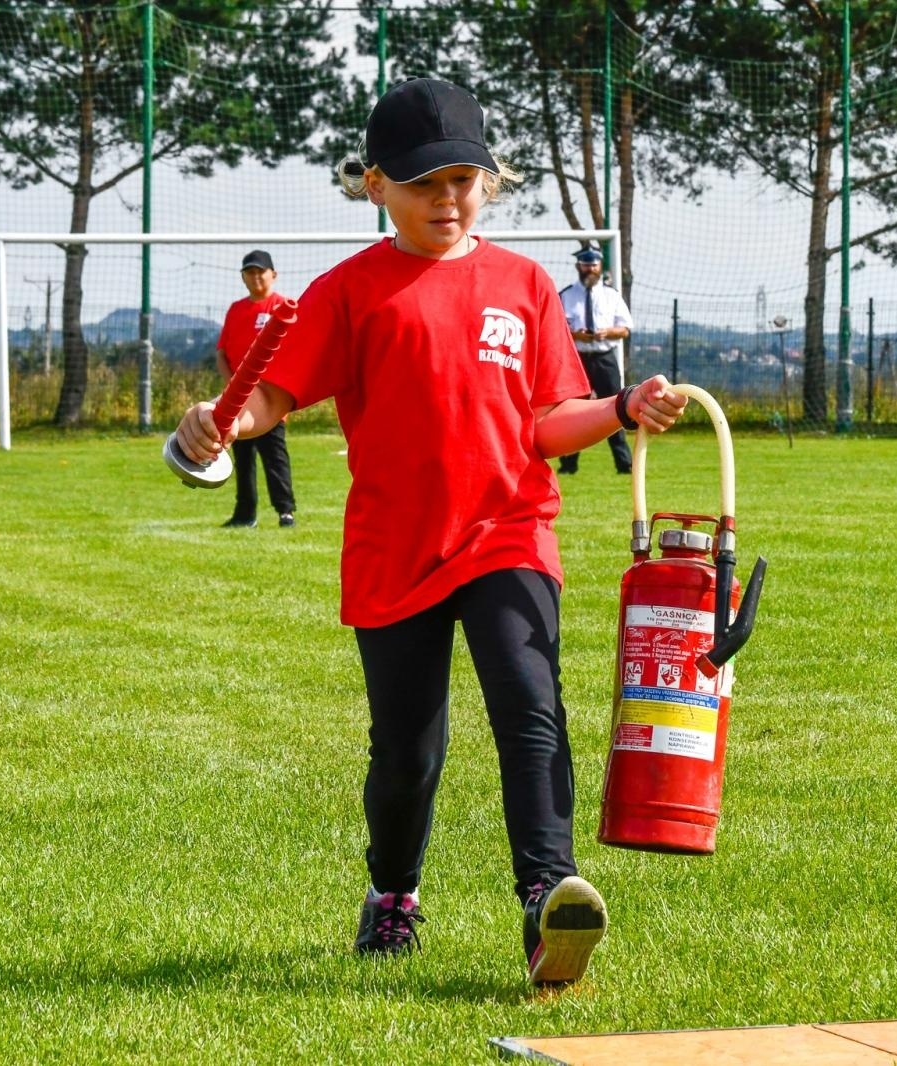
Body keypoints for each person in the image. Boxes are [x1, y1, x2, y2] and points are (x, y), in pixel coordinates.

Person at [173, 77, 687, 988]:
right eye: (424, 183)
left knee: (530, 709)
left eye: (464, 180)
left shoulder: (524, 286)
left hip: (508, 532)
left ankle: (547, 898)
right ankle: (393, 895)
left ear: (490, 182)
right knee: (406, 750)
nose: (447, 199)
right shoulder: (349, 292)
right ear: (376, 186)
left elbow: (548, 419)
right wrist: (222, 422)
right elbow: (275, 395)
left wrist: (619, 405)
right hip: (395, 547)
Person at [215, 249, 296, 528]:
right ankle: (245, 514)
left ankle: (285, 512)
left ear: (273, 275)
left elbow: (294, 352)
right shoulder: (236, 309)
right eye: (250, 272)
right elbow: (222, 352)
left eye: (260, 271)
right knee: (244, 459)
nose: (255, 277)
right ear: (243, 278)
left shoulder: (283, 307)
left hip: (270, 400)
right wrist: (232, 388)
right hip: (240, 403)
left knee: (275, 457)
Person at [556, 247, 635, 475]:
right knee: (571, 410)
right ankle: (568, 464)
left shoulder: (611, 295)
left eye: (593, 264)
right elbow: (555, 329)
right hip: (577, 358)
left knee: (617, 407)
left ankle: (624, 464)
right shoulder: (566, 295)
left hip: (604, 357)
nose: (589, 268)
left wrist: (607, 332)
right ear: (578, 266)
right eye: (585, 264)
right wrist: (576, 335)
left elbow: (625, 329)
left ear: (600, 267)